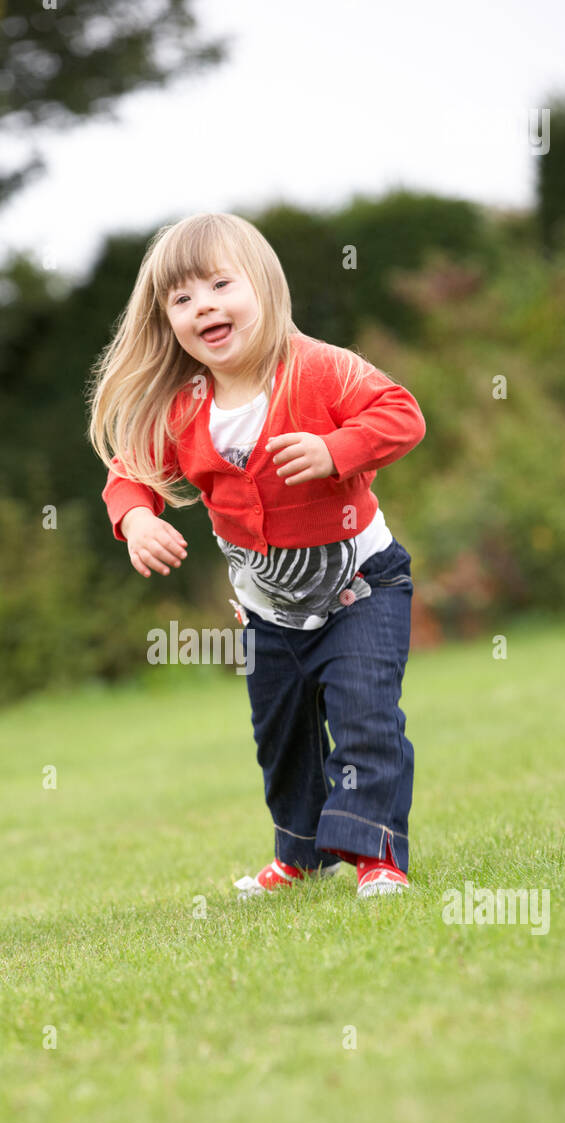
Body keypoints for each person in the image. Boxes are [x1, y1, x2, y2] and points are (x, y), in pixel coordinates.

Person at [88, 212, 426, 899]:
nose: (203, 304)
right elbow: (128, 475)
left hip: (361, 589)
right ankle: (300, 855)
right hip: (269, 614)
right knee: (283, 739)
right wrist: (136, 520)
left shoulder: (321, 370)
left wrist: (337, 449)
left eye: (220, 283)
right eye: (182, 298)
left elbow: (401, 414)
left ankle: (379, 858)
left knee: (364, 719)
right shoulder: (183, 409)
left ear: (265, 289)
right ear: (167, 323)